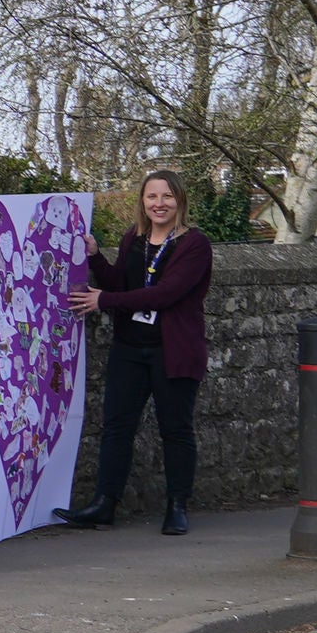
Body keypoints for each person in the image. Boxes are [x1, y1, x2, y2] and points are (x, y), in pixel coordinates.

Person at [54, 167, 213, 535]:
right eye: (152, 196)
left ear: (180, 200)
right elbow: (119, 285)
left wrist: (104, 300)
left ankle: (177, 506)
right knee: (116, 428)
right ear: (142, 201)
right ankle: (104, 504)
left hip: (172, 350)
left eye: (167, 196)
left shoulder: (194, 244)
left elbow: (166, 294)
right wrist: (95, 258)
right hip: (129, 348)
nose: (159, 203)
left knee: (175, 429)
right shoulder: (134, 239)